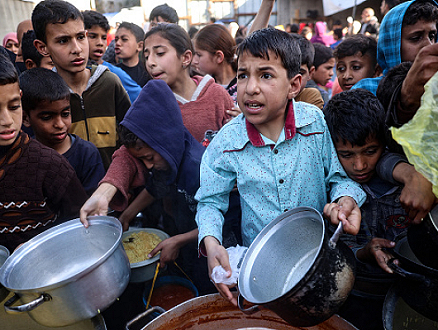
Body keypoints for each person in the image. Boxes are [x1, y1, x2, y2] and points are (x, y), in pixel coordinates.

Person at [195, 27, 366, 306]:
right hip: (264, 267)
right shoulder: (227, 141)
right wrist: (211, 241)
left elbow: (338, 178)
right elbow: (210, 201)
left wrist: (345, 200)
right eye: (242, 75)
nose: (250, 87)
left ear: (294, 85)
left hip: (318, 259)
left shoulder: (314, 123)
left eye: (265, 75)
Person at [323, 88, 436, 330]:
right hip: (355, 295)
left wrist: (410, 175)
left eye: (370, 152)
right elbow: (339, 247)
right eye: (346, 155)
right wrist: (365, 251)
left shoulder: (404, 177)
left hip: (408, 297)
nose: (360, 165)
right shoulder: (333, 186)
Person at [0, 54, 87, 252]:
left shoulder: (49, 165)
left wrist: (41, 248)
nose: (7, 120)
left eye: (14, 107)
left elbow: (81, 228)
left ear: (21, 99)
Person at [32, 0, 131, 170]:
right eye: (63, 41)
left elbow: (130, 141)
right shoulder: (45, 96)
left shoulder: (110, 83)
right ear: (42, 47)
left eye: (80, 37)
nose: (77, 49)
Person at [20, 68, 105, 196]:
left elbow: (93, 205)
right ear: (26, 118)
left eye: (65, 114)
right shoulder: (23, 156)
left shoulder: (86, 154)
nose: (60, 124)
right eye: (47, 118)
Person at [143, 23, 233, 143]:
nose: (150, 62)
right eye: (146, 56)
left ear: (185, 58)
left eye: (160, 53)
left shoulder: (217, 95)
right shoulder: (150, 103)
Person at [353, 0, 438, 95]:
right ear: (392, 44)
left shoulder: (435, 87)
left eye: (432, 36)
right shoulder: (366, 92)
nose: (429, 45)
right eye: (415, 38)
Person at [82, 10, 141, 103]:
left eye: (104, 38)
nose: (100, 43)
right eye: (93, 36)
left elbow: (143, 99)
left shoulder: (114, 73)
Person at [192, 24, 238, 101]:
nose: (194, 61)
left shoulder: (244, 84)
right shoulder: (201, 86)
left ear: (219, 57)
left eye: (199, 55)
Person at [115, 22, 150, 87]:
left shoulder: (149, 73)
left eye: (124, 39)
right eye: (116, 39)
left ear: (139, 46)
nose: (118, 43)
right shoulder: (112, 72)